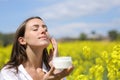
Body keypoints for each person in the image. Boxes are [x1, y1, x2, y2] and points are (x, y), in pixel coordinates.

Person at [0, 16, 74, 80]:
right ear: (22, 40)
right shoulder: (10, 72)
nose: (43, 31)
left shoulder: (51, 68)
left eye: (46, 29)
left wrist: (56, 68)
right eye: (35, 29)